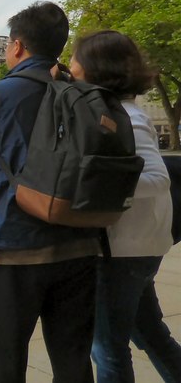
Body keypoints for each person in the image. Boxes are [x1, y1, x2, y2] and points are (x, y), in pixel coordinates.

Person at [0, 1, 99, 383]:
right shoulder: (84, 94)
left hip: (13, 246)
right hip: (80, 242)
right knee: (74, 362)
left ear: (18, 46)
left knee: (5, 364)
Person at [69, 30, 175, 383]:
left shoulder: (126, 118)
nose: (71, 66)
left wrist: (97, 191)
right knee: (147, 331)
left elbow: (158, 178)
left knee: (108, 348)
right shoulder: (119, 113)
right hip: (135, 248)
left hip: (122, 254)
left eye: (76, 58)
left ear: (96, 68)